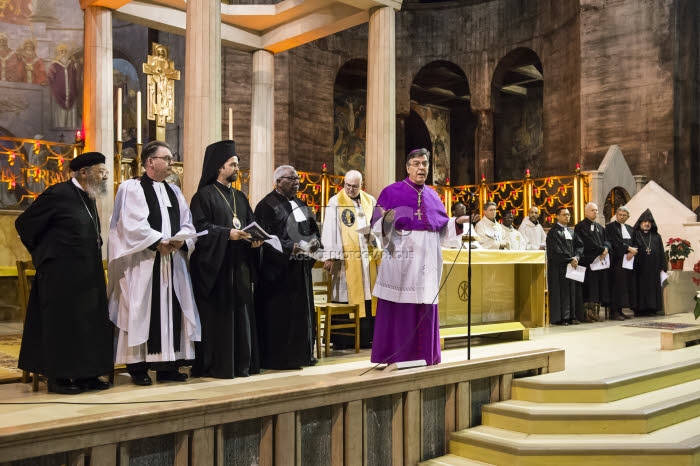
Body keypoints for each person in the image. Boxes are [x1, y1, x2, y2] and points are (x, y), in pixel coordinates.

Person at [15, 152, 113, 394]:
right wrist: (45, 256)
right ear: (83, 172)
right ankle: (58, 378)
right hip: (60, 276)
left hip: (87, 273)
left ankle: (87, 375)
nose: (105, 176)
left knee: (89, 324)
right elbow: (24, 224)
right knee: (63, 326)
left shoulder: (88, 196)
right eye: (100, 171)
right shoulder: (57, 194)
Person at [108, 140, 201, 386]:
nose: (172, 163)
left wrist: (182, 241)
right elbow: (129, 224)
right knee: (140, 310)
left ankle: (167, 365)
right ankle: (138, 366)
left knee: (171, 309)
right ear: (150, 161)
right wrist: (157, 241)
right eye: (167, 158)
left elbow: (187, 222)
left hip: (171, 263)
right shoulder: (132, 188)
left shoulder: (174, 191)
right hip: (144, 262)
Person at [370, 148, 471, 366]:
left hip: (427, 261)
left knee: (425, 303)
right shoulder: (391, 191)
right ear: (407, 168)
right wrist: (389, 222)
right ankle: (397, 356)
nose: (421, 167)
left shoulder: (434, 195)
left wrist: (457, 223)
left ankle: (425, 355)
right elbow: (376, 226)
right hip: (401, 259)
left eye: (425, 163)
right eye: (416, 163)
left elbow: (442, 230)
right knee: (401, 306)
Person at [189, 141, 262, 378]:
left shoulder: (239, 196)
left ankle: (242, 364)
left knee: (241, 316)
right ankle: (217, 365)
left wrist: (255, 240)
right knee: (220, 319)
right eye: (233, 164)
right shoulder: (203, 196)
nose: (237, 168)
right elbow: (199, 229)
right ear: (220, 168)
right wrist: (226, 234)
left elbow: (249, 224)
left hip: (238, 265)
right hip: (217, 269)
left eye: (237, 164)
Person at [254, 165, 321, 370]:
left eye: (298, 178)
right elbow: (265, 237)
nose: (297, 181)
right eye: (292, 178)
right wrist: (290, 248)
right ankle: (280, 358)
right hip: (279, 272)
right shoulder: (266, 205)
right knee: (282, 316)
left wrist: (316, 243)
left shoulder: (301, 204)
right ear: (278, 181)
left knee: (302, 314)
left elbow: (312, 230)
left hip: (300, 269)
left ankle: (302, 355)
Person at [321, 170, 380, 348]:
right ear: (344, 184)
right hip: (347, 260)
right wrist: (331, 256)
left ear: (362, 185)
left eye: (355, 186)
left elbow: (378, 226)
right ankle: (345, 340)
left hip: (367, 256)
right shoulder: (335, 201)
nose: (351, 189)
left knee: (369, 296)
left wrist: (374, 237)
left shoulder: (370, 200)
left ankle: (367, 337)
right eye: (348, 186)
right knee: (349, 293)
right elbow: (331, 229)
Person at [546, 206, 584, 326]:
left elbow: (579, 245)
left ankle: (572, 316)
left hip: (572, 266)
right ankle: (562, 318)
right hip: (559, 267)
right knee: (561, 292)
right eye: (564, 214)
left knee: (572, 291)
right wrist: (569, 259)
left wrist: (576, 257)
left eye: (568, 214)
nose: (567, 216)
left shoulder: (572, 231)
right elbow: (556, 250)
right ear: (557, 216)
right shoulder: (553, 232)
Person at [574, 202, 611, 322]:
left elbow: (607, 240)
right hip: (587, 262)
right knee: (588, 287)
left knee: (597, 288)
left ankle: (593, 311)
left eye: (596, 210)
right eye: (592, 210)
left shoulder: (600, 227)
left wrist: (606, 248)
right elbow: (586, 241)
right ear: (586, 212)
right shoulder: (580, 226)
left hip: (599, 263)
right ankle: (586, 313)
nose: (595, 212)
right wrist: (601, 250)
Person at [632, 209, 666, 316]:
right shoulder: (635, 234)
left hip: (654, 268)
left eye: (649, 222)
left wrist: (662, 267)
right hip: (639, 268)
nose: (647, 223)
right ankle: (639, 309)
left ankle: (652, 308)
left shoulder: (657, 236)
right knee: (639, 287)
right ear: (640, 222)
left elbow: (661, 252)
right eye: (645, 221)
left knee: (652, 288)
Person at [605, 206, 637, 321]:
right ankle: (614, 312)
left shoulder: (630, 228)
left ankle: (621, 311)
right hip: (616, 261)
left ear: (628, 217)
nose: (622, 216)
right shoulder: (610, 227)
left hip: (628, 261)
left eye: (624, 215)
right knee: (616, 286)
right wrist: (629, 249)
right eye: (620, 214)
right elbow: (614, 242)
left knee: (625, 286)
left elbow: (636, 242)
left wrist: (633, 252)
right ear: (616, 215)